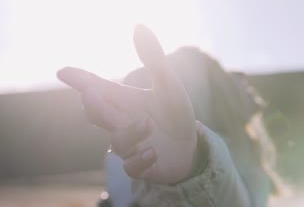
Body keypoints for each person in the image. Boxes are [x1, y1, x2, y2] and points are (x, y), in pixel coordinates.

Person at [57, 24, 287, 206]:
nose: (242, 79)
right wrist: (191, 169)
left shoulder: (240, 161)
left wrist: (192, 170)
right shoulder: (232, 154)